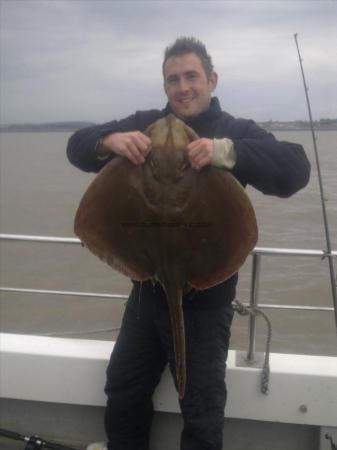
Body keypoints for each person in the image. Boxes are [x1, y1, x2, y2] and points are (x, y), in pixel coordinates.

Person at [67, 37, 310, 450]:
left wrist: (226, 152)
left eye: (191, 76)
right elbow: (77, 146)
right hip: (146, 294)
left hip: (209, 301)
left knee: (201, 409)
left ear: (211, 80)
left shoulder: (235, 131)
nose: (182, 87)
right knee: (123, 389)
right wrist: (107, 140)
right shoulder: (145, 124)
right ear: (165, 87)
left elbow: (295, 168)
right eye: (172, 79)